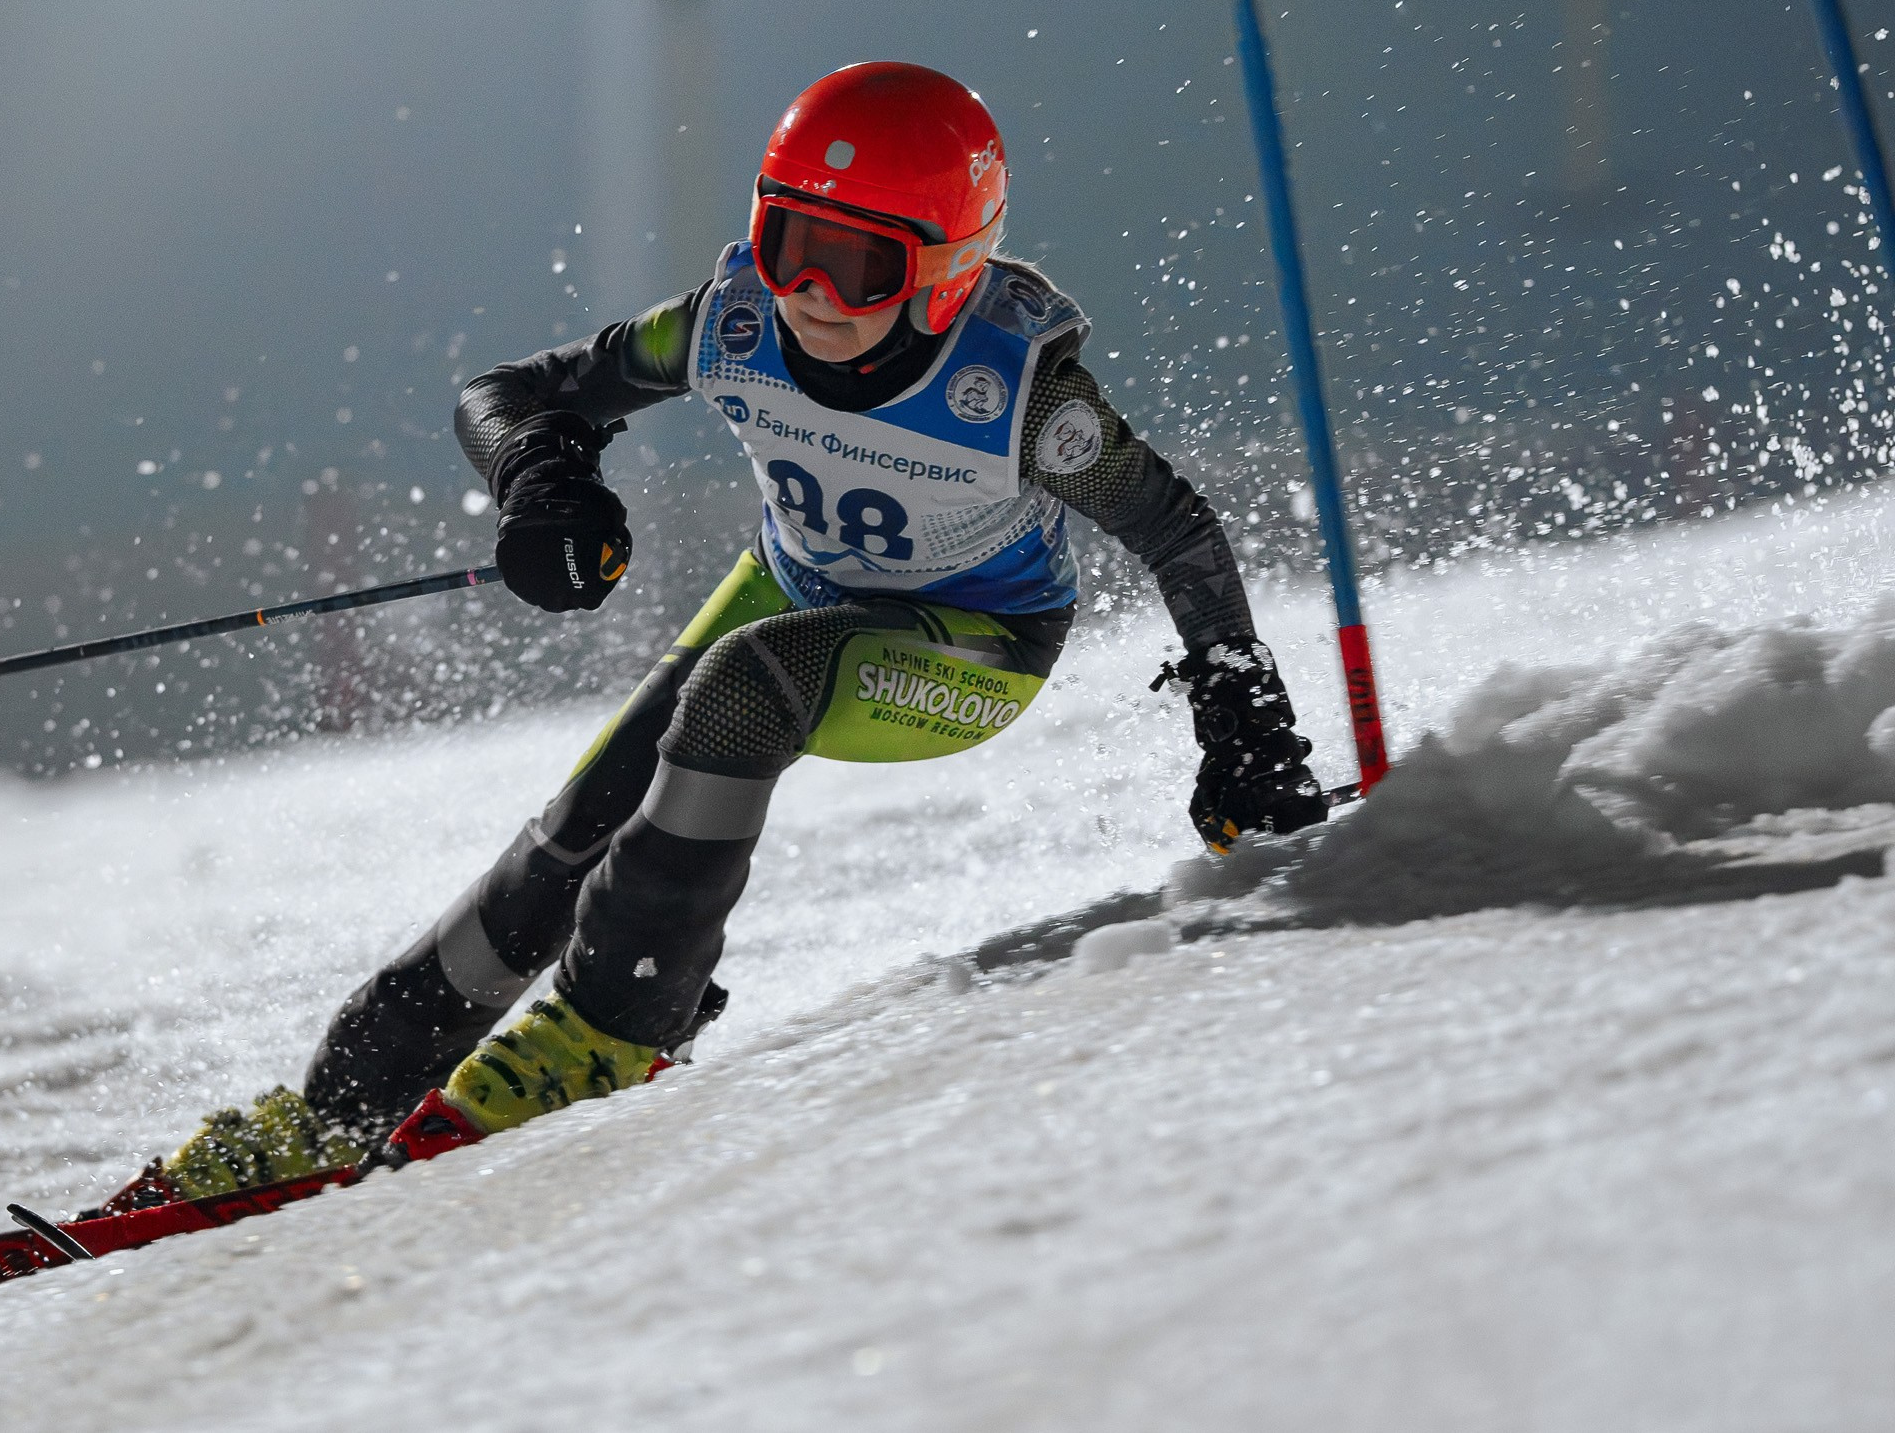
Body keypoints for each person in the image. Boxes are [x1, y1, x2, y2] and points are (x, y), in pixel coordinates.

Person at [88, 61, 1329, 1212]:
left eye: (859, 268)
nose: (810, 297)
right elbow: (507, 394)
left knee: (747, 681)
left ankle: (617, 1026)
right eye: (790, 245)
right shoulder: (732, 323)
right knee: (568, 839)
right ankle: (339, 1107)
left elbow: (1175, 530)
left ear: (950, 271)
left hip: (975, 644)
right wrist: (543, 480)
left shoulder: (1014, 390)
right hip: (787, 592)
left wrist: (1241, 712)